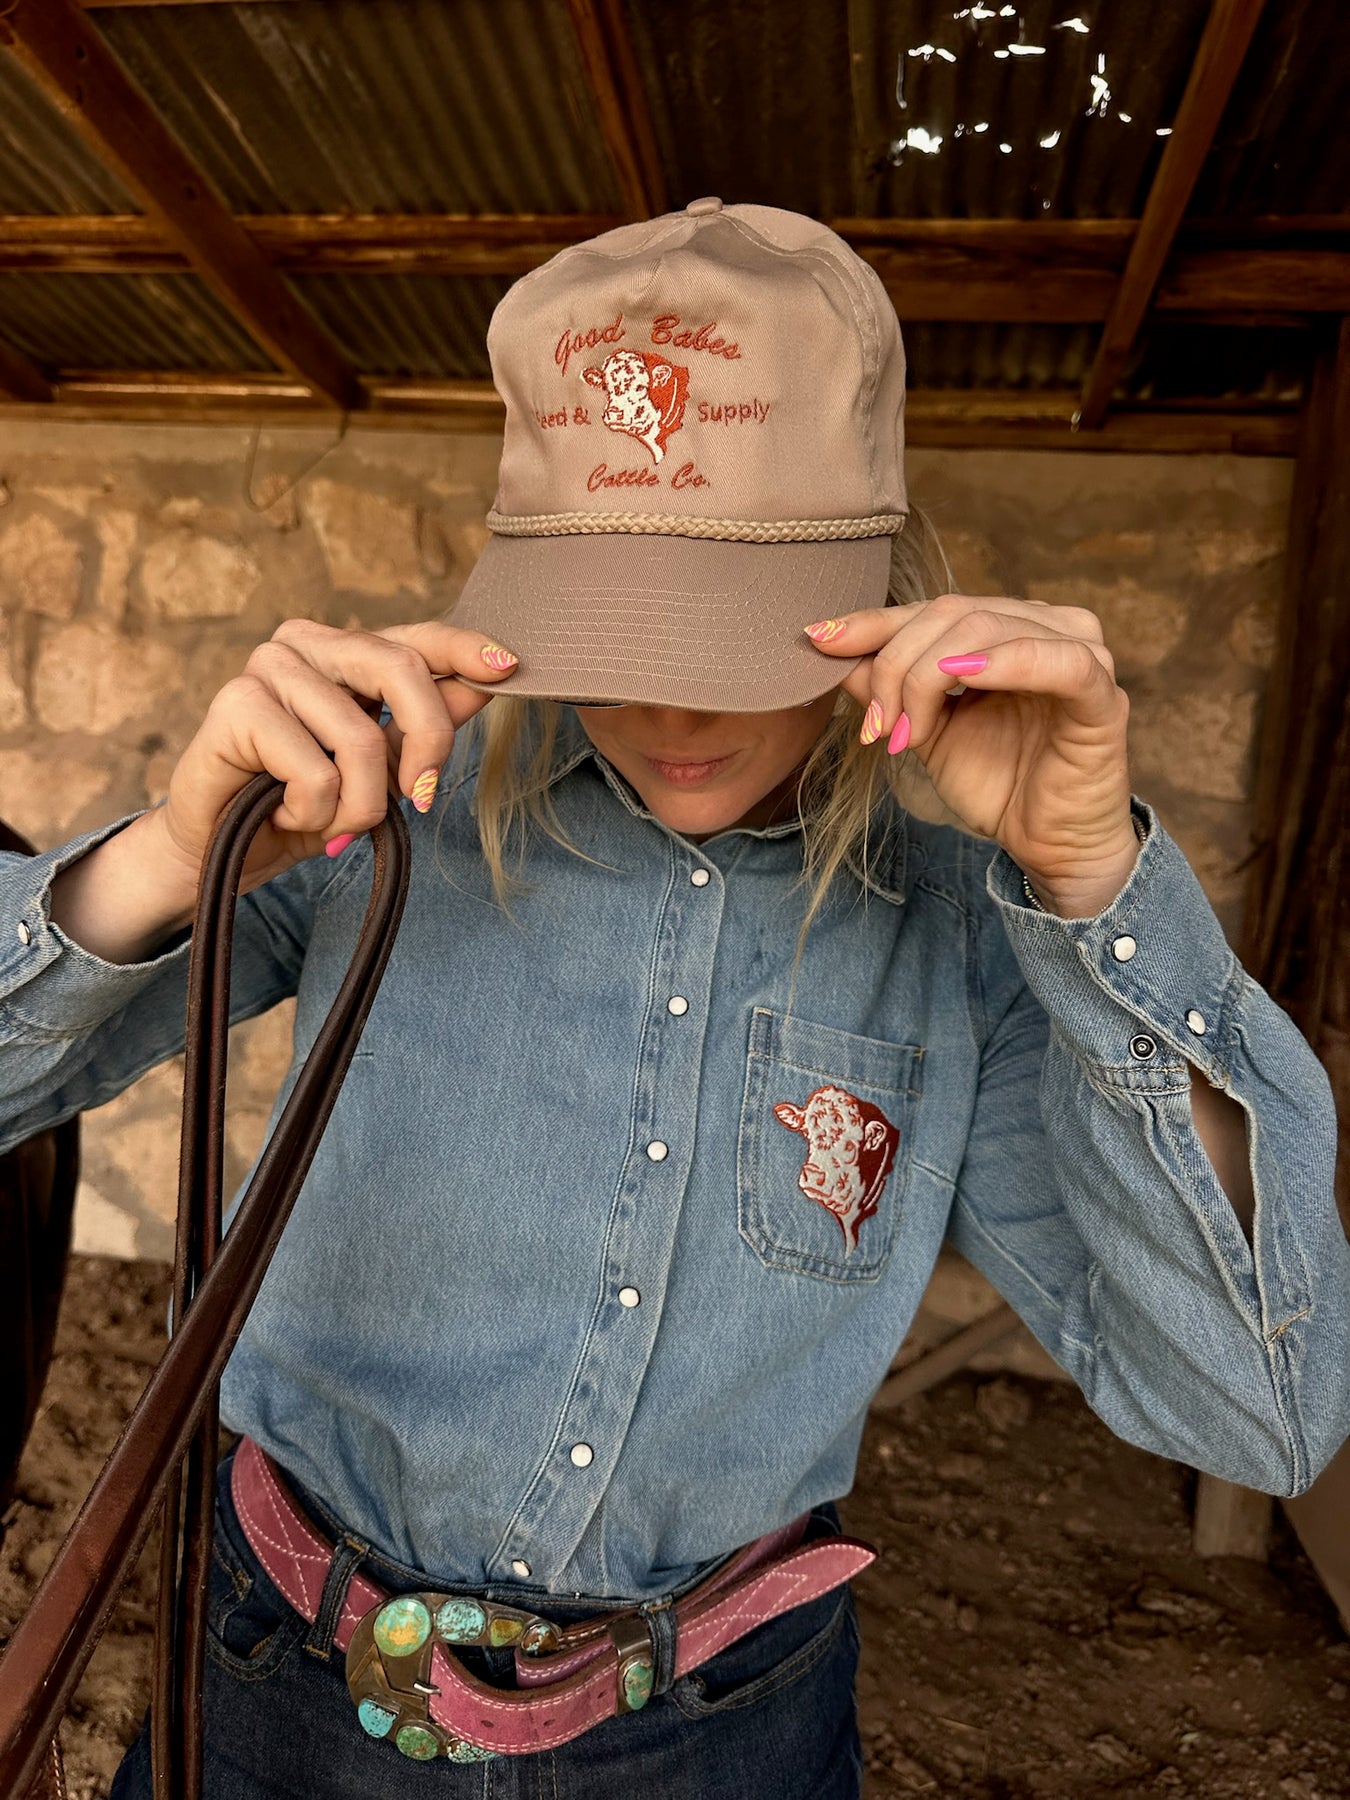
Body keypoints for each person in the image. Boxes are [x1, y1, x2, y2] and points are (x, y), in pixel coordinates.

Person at [2, 201, 1346, 1800]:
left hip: (723, 1735)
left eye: (731, 628)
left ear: (879, 582)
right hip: (280, 1688)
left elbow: (1257, 1413)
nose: (666, 700)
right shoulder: (381, 817)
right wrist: (172, 853)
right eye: (611, 624)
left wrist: (1095, 890)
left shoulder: (966, 938)